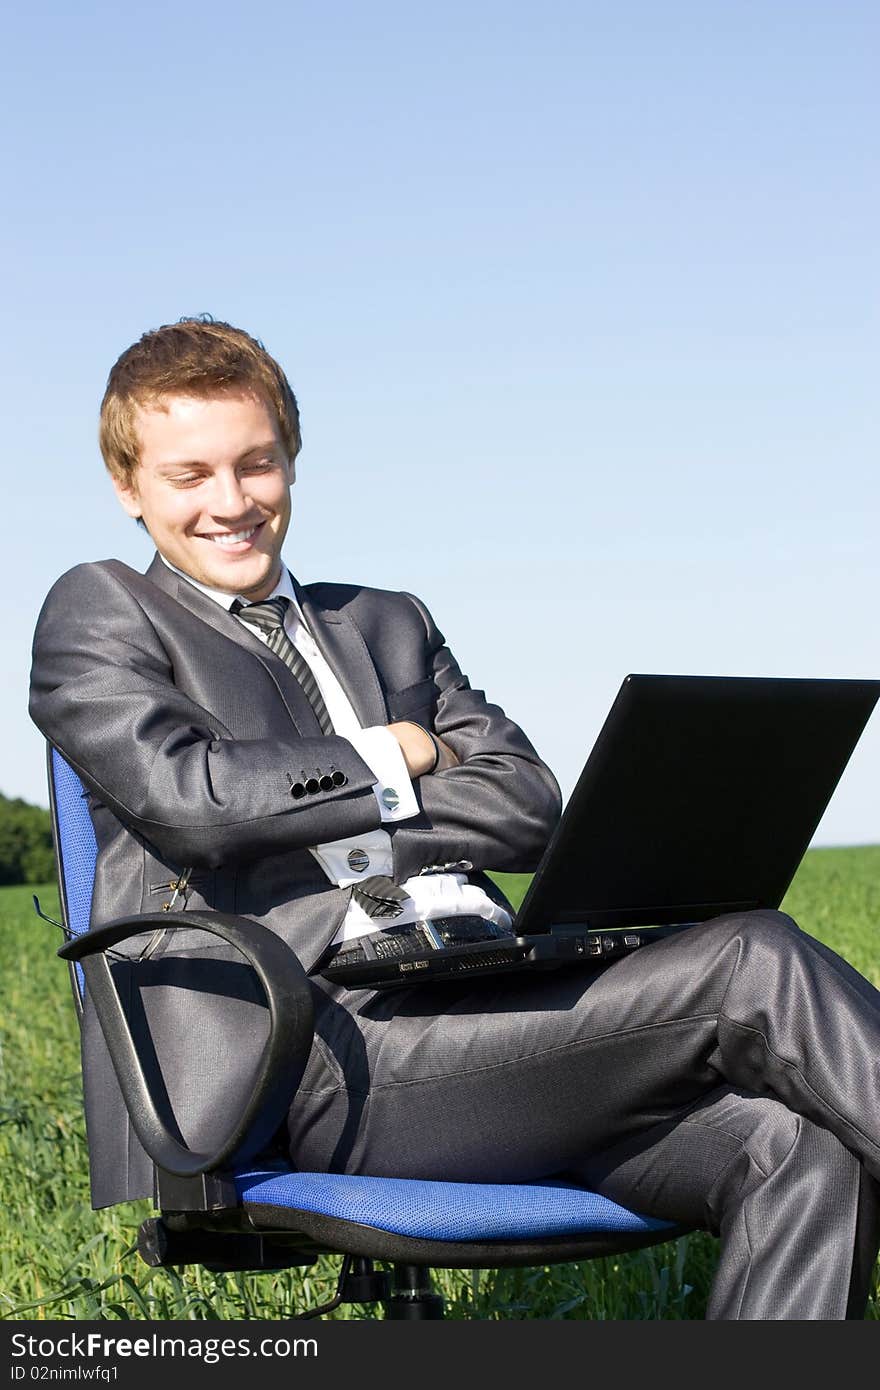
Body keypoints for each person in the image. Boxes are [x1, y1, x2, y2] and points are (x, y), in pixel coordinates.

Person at [29, 315, 880, 1320]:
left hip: (483, 1004)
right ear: (128, 486)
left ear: (290, 461)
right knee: (748, 960)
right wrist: (399, 754)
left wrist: (333, 813)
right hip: (319, 1052)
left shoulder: (387, 620)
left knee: (799, 1146)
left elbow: (524, 802)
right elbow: (197, 802)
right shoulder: (104, 611)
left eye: (256, 465)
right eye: (191, 475)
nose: (232, 502)